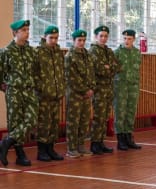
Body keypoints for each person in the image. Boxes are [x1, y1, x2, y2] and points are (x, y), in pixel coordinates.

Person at [0, 19, 38, 166]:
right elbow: (1, 72)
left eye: (28, 30)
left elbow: (34, 71)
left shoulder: (31, 51)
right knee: (15, 122)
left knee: (32, 118)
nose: (27, 33)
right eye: (24, 30)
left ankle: (6, 142)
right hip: (14, 91)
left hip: (28, 90)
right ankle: (20, 154)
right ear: (15, 33)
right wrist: (5, 87)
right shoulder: (6, 51)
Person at [34, 25, 65, 161]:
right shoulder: (38, 52)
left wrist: (61, 88)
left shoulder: (58, 52)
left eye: (56, 38)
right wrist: (42, 88)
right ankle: (42, 151)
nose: (53, 40)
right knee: (43, 123)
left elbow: (61, 72)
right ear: (44, 37)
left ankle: (51, 148)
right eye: (51, 38)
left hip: (56, 94)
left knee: (53, 123)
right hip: (43, 95)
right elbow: (34, 73)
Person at [64, 29, 95, 158]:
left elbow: (92, 73)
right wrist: (84, 90)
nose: (82, 43)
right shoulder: (69, 56)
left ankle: (81, 145)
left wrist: (92, 88)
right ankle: (71, 148)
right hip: (75, 94)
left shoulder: (87, 55)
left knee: (84, 121)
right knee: (73, 122)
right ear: (74, 41)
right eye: (79, 40)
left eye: (83, 40)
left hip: (87, 94)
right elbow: (71, 77)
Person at [89, 25, 119, 154]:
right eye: (101, 36)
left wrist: (108, 67)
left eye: (106, 36)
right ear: (96, 37)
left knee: (105, 117)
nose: (103, 38)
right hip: (99, 88)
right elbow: (99, 69)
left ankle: (101, 142)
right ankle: (95, 143)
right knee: (98, 117)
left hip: (108, 88)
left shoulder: (109, 51)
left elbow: (116, 67)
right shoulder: (93, 51)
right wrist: (107, 67)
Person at [113, 29, 142, 151]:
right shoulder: (117, 52)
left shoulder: (136, 52)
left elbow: (137, 69)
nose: (126, 41)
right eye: (124, 38)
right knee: (120, 112)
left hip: (133, 86)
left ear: (134, 39)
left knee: (131, 112)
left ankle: (129, 137)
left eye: (129, 39)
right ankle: (120, 140)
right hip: (120, 86)